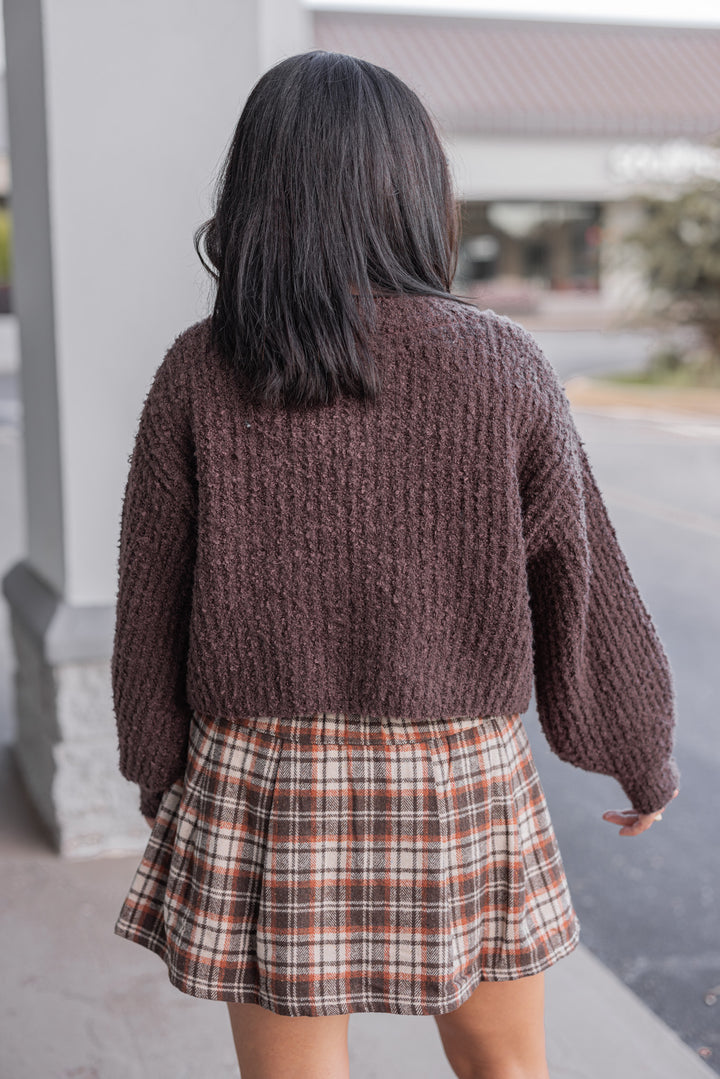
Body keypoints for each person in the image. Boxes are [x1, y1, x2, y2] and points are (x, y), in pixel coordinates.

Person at [111, 50, 680, 1079]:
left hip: (265, 773)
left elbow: (150, 597)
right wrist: (638, 749)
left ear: (255, 193)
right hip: (456, 772)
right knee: (504, 1066)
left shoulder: (202, 367)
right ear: (419, 192)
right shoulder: (501, 362)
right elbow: (582, 579)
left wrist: (158, 770)